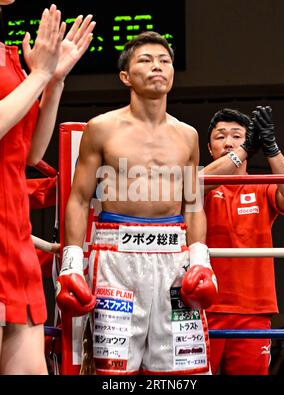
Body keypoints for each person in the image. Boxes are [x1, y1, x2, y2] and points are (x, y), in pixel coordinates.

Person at [56, 31, 218, 375]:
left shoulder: (187, 135)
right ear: (125, 76)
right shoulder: (101, 128)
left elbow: (193, 204)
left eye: (165, 60)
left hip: (174, 261)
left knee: (180, 373)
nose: (157, 66)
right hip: (115, 260)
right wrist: (71, 264)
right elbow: (79, 198)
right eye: (146, 60)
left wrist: (201, 259)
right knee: (114, 373)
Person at [0, 1, 95, 374]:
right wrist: (39, 75)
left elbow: (31, 152)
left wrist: (53, 80)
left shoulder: (9, 56)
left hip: (14, 241)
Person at [203, 107, 284, 375]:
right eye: (220, 137)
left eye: (237, 136)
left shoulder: (260, 185)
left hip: (252, 310)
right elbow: (193, 185)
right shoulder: (200, 184)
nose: (228, 142)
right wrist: (244, 149)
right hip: (202, 307)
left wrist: (271, 148)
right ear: (209, 147)